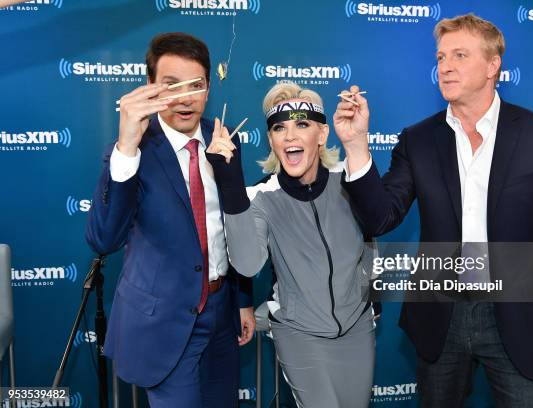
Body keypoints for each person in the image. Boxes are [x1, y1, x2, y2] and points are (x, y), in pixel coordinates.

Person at [333, 13, 533, 407]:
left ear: (493, 65)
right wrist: (357, 147)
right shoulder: (418, 140)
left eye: (459, 54)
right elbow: (380, 218)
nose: (445, 66)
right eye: (441, 57)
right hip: (440, 319)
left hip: (520, 319)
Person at [86, 32, 254, 408]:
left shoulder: (224, 138)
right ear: (150, 89)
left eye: (195, 85)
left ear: (209, 88)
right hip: (164, 323)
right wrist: (127, 146)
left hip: (221, 315)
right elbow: (103, 239)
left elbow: (234, 225)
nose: (184, 97)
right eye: (170, 85)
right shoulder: (134, 148)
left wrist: (243, 299)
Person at [205, 82, 377, 408]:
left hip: (357, 327)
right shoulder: (261, 196)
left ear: (322, 134)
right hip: (298, 332)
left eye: (302, 124)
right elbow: (247, 264)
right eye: (279, 128)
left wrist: (373, 293)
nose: (290, 136)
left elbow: (371, 234)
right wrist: (230, 183)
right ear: (271, 140)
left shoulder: (348, 179)